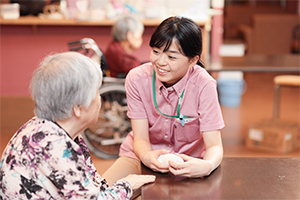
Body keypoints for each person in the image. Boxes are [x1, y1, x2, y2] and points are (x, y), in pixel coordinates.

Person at [0, 52, 155, 200]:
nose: (99, 99)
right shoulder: (53, 146)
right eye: (96, 93)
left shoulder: (48, 128)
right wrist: (128, 184)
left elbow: (91, 185)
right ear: (78, 108)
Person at [103, 16, 225, 186]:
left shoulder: (204, 85)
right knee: (104, 192)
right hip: (139, 158)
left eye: (172, 57)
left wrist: (207, 165)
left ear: (193, 60)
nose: (160, 62)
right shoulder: (137, 79)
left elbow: (214, 146)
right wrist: (146, 156)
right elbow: (141, 139)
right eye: (156, 51)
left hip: (189, 164)